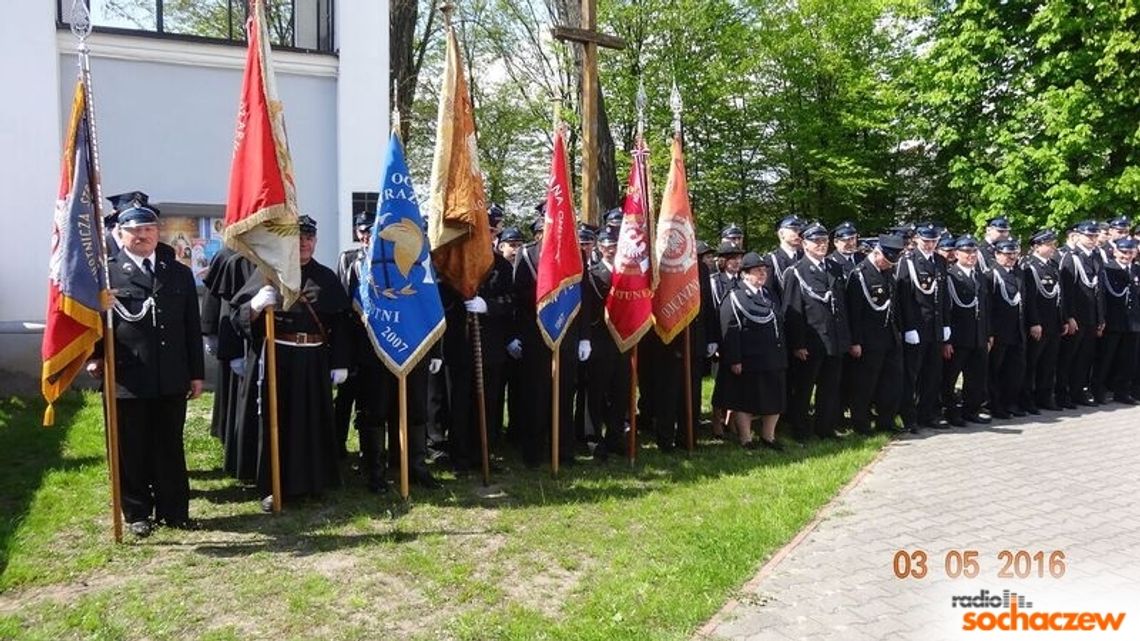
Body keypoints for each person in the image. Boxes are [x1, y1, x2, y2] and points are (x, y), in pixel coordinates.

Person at [86, 196, 204, 537]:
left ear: (158, 232)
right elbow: (94, 322)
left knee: (170, 445)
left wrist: (196, 373)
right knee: (131, 447)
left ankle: (174, 510)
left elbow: (190, 330)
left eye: (149, 229)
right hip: (128, 377)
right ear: (120, 234)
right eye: (134, 230)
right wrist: (95, 356)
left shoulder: (178, 274)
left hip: (170, 376)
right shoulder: (106, 275)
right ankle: (137, 512)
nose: (143, 235)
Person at [231, 215, 350, 511]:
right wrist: (256, 306)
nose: (304, 243)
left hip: (314, 359)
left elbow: (342, 324)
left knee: (313, 422)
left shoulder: (326, 277)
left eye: (309, 238)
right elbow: (237, 317)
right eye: (298, 237)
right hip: (278, 359)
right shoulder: (269, 274)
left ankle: (313, 483)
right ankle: (274, 485)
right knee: (278, 421)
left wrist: (341, 362)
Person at [782, 222, 851, 441]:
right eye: (817, 241)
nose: (822, 245)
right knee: (804, 389)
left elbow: (841, 306)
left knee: (829, 388)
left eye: (825, 241)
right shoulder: (796, 271)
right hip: (811, 341)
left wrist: (845, 337)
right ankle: (800, 430)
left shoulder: (834, 268)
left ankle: (825, 427)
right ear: (804, 244)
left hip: (834, 340)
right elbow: (792, 312)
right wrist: (798, 344)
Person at [713, 252, 786, 449]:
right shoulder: (735, 297)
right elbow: (729, 329)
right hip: (749, 359)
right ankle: (746, 438)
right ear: (745, 274)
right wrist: (735, 359)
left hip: (772, 357)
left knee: (774, 398)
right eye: (757, 271)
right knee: (745, 400)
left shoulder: (769, 294)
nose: (763, 274)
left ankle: (768, 436)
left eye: (764, 271)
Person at [845, 234, 905, 434]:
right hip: (868, 340)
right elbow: (854, 311)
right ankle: (860, 424)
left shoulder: (887, 271)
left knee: (892, 381)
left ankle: (886, 420)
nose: (890, 265)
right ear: (877, 252)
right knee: (865, 384)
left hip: (889, 336)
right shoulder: (860, 274)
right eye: (887, 261)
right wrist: (855, 341)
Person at [583, 229, 631, 460]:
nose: (611, 248)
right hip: (600, 340)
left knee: (620, 391)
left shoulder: (629, 273)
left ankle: (615, 436)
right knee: (597, 391)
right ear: (600, 247)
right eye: (607, 245)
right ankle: (594, 438)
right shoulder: (592, 274)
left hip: (623, 341)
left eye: (615, 244)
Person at [897, 222, 950, 431]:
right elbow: (903, 298)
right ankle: (909, 417)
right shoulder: (907, 261)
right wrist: (909, 327)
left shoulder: (939, 261)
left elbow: (943, 296)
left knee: (932, 374)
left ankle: (927, 414)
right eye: (926, 240)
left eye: (933, 241)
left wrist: (945, 324)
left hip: (935, 328)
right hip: (916, 329)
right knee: (911, 375)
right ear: (916, 239)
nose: (930, 244)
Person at [332, 211, 373, 460]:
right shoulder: (348, 258)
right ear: (357, 232)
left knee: (370, 399)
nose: (366, 235)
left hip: (374, 340)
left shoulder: (384, 258)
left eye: (370, 230)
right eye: (362, 231)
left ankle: (369, 450)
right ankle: (337, 447)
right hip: (351, 333)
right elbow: (342, 297)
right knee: (345, 398)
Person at [941, 236, 991, 427]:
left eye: (973, 252)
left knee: (976, 377)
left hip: (978, 336)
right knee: (950, 378)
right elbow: (946, 309)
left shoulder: (979, 275)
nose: (971, 256)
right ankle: (952, 412)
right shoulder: (950, 276)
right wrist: (947, 340)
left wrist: (987, 334)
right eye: (967, 252)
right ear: (956, 254)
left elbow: (986, 308)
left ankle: (972, 410)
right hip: (958, 337)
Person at [1056, 221, 1105, 408]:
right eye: (1089, 236)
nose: (1092, 239)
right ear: (1079, 236)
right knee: (1069, 358)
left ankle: (1078, 392)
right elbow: (1066, 291)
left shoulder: (1096, 257)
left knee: (1084, 358)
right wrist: (1069, 316)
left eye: (1095, 236)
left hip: (1091, 317)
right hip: (1077, 317)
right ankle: (1063, 394)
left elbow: (1099, 291)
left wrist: (1101, 317)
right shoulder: (1071, 258)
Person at [1021, 229, 1065, 412]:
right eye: (1049, 244)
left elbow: (1060, 296)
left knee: (1048, 363)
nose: (1053, 247)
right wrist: (1034, 322)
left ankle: (1045, 397)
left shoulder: (1053, 265)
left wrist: (1062, 319)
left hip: (1053, 323)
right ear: (1036, 247)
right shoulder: (1029, 267)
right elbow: (1029, 298)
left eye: (1054, 244)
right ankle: (1027, 399)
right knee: (1032, 364)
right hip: (1039, 324)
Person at [1092, 237, 1140, 404]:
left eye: (1130, 252)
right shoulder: (1107, 269)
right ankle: (1098, 390)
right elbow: (1103, 297)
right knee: (1106, 358)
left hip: (1133, 322)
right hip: (1113, 321)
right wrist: (1102, 319)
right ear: (1115, 251)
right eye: (1124, 252)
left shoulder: (1136, 269)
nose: (1127, 255)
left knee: (1127, 360)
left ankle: (1122, 392)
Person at [987, 238, 1026, 418]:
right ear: (997, 255)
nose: (1011, 257)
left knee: (1014, 370)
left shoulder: (1018, 274)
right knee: (996, 370)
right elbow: (988, 307)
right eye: (1007, 254)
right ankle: (996, 405)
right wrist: (990, 332)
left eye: (1014, 254)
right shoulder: (991, 275)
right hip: (999, 331)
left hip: (1017, 330)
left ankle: (1011, 402)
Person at [766, 215, 805, 301]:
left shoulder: (805, 256)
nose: (798, 234)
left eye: (800, 230)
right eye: (794, 230)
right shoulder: (772, 259)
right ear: (781, 233)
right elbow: (769, 292)